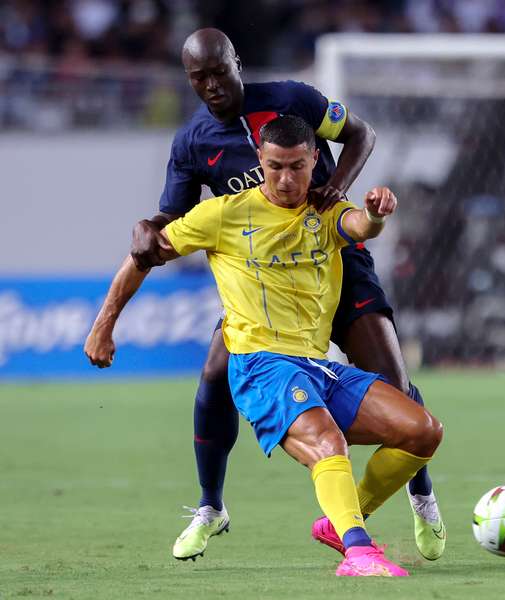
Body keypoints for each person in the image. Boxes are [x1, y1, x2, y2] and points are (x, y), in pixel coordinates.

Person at [82, 28, 445, 561]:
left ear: (237, 62)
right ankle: (211, 505)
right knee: (213, 374)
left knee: (396, 385)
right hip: (266, 286)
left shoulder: (291, 100)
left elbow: (362, 134)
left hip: (336, 256)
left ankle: (420, 494)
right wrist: (147, 226)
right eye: (197, 78)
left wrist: (337, 187)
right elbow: (176, 220)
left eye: (217, 72)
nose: (210, 86)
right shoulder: (192, 143)